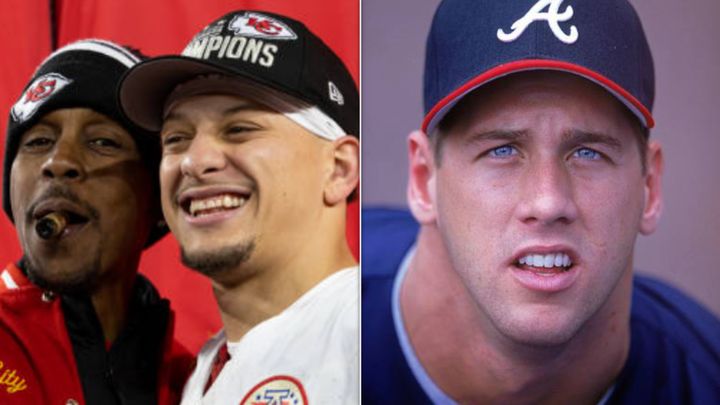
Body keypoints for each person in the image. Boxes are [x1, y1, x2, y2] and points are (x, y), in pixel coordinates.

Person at [362, 0, 720, 403]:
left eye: (588, 152)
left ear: (649, 186)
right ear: (423, 179)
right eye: (501, 150)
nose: (548, 201)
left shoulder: (706, 378)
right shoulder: (300, 318)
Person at [118, 10, 360, 404]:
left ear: (339, 168)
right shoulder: (202, 372)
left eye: (239, 129)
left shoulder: (369, 338)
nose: (195, 161)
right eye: (176, 138)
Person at [0, 39, 193, 404]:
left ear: (158, 199)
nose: (58, 161)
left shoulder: (197, 384)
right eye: (38, 141)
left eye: (103, 141)